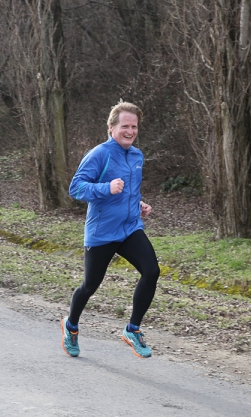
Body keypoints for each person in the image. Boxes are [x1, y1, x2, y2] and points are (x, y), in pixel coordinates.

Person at [62, 101, 160, 358]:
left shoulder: (137, 156)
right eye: (125, 126)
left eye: (134, 126)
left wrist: (138, 205)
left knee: (152, 271)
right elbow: (76, 188)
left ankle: (132, 329)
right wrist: (105, 188)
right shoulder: (99, 154)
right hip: (102, 232)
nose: (130, 131)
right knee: (90, 286)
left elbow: (128, 191)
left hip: (129, 228)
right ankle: (71, 326)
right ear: (111, 127)